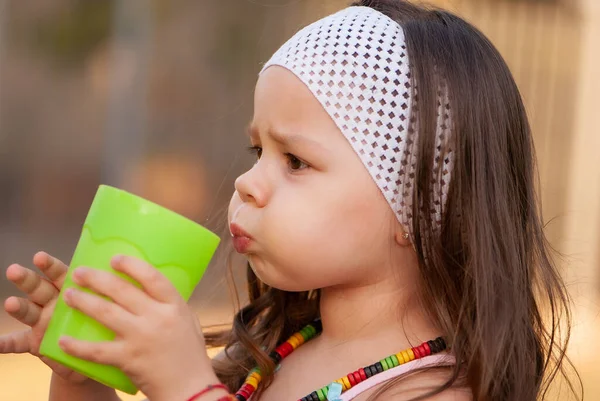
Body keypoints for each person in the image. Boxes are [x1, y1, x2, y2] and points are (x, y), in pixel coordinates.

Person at [0, 1, 582, 400]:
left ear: (419, 200)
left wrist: (185, 386)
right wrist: (84, 373)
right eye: (257, 151)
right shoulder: (271, 356)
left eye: (295, 161)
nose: (247, 183)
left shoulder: (435, 389)